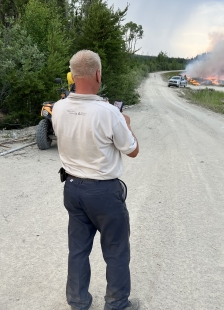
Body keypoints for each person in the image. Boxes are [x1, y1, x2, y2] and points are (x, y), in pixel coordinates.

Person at [52, 50, 140, 310]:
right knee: (116, 251)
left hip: (72, 188)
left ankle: (78, 301)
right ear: (98, 74)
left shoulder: (58, 108)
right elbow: (132, 150)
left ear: (73, 75)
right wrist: (127, 124)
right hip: (104, 192)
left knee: (78, 249)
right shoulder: (109, 112)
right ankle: (116, 303)